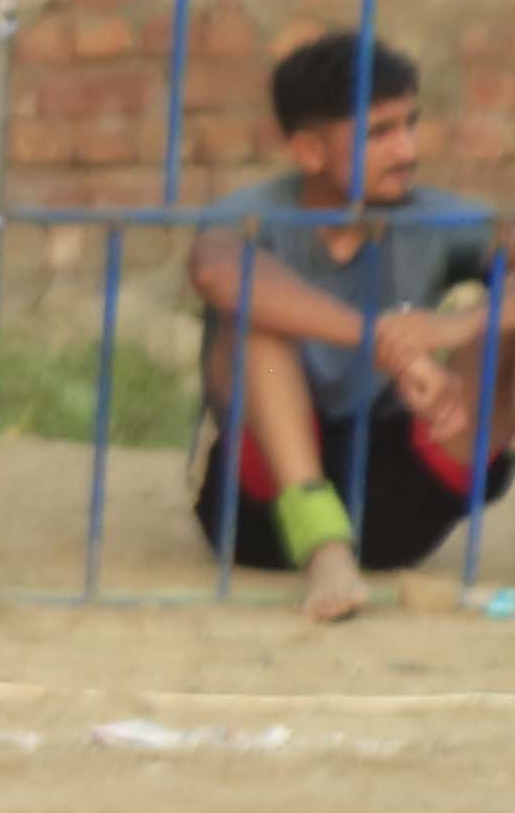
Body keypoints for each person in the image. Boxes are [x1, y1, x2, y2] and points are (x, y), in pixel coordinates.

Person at [185, 31, 503, 621]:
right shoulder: (251, 214)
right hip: (263, 506)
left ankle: (345, 548)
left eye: (410, 125)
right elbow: (217, 272)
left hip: (397, 500)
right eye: (379, 134)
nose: (406, 149)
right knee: (256, 317)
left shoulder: (438, 216)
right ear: (308, 152)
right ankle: (325, 551)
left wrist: (454, 328)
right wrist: (386, 340)